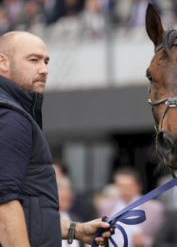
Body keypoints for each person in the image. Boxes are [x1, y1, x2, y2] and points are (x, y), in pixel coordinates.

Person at [0, 31, 111, 247]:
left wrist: (77, 230)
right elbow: (4, 205)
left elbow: (30, 212)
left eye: (46, 61)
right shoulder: (10, 116)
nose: (44, 69)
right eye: (33, 60)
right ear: (2, 62)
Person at [108, 166, 164, 247]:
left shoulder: (155, 208)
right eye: (120, 186)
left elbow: (163, 238)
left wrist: (146, 241)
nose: (125, 190)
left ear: (138, 186)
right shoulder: (105, 206)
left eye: (128, 186)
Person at [57, 177, 84, 247]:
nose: (65, 202)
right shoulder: (46, 219)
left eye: (68, 198)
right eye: (62, 198)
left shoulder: (76, 219)